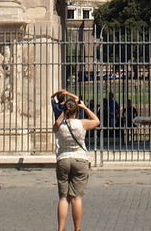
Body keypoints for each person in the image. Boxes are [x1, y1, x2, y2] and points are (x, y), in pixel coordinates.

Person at [54, 95, 100, 231]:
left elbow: (56, 125)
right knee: (76, 198)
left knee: (63, 198)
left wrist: (63, 111)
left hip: (63, 159)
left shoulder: (60, 125)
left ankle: (61, 229)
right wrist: (84, 107)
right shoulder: (82, 123)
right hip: (80, 159)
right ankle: (77, 229)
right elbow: (97, 121)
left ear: (65, 110)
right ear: (76, 110)